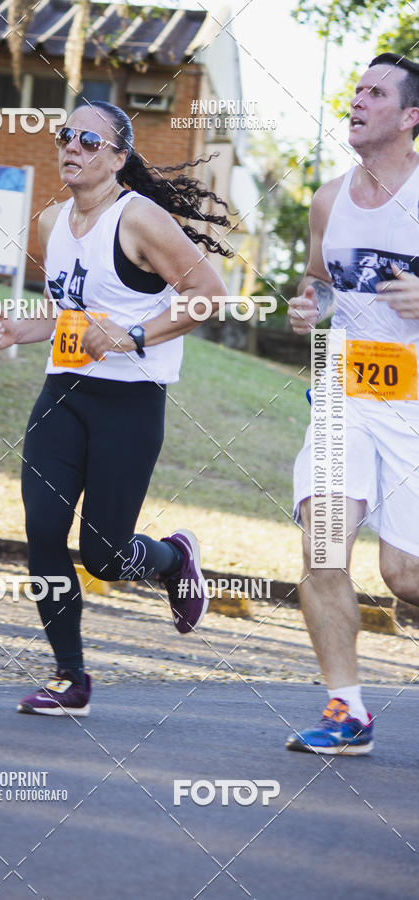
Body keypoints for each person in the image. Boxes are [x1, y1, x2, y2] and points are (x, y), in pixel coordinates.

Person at [0, 100, 230, 716]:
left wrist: (134, 335)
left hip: (129, 404)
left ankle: (174, 558)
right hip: (61, 396)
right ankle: (71, 676)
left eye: (90, 141)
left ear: (119, 158)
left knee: (105, 556)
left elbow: (210, 295)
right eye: (66, 135)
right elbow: (64, 313)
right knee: (42, 531)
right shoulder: (50, 222)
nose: (72, 147)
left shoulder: (140, 218)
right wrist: (20, 330)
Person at [287, 53, 419, 754]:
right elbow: (318, 282)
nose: (358, 100)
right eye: (356, 89)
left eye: (375, 93)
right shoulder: (328, 199)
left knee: (404, 576)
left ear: (410, 117)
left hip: (417, 409)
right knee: (324, 548)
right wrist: (308, 306)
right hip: (344, 397)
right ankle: (348, 710)